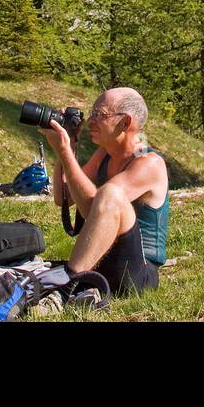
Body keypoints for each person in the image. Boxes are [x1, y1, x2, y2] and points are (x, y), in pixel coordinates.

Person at [38, 86, 169, 295]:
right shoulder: (104, 154)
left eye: (100, 114)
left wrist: (64, 152)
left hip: (137, 275)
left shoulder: (149, 163)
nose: (91, 121)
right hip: (102, 261)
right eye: (92, 113)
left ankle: (66, 287)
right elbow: (64, 197)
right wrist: (69, 147)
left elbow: (93, 209)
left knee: (110, 193)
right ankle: (71, 282)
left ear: (125, 122)